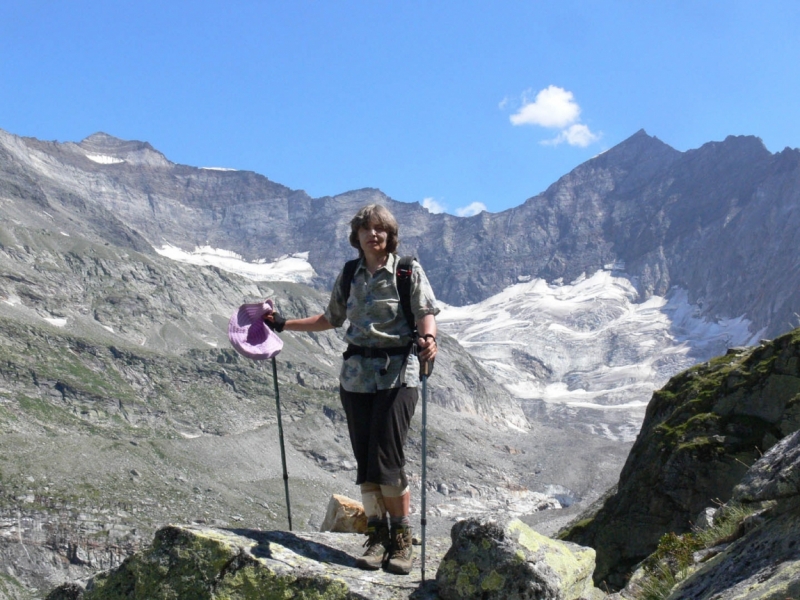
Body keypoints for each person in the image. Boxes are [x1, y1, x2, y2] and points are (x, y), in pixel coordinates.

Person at [266, 204, 439, 575]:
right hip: (356, 376)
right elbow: (330, 319)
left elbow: (426, 310)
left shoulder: (407, 270)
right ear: (357, 236)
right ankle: (377, 537)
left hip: (398, 374)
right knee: (365, 461)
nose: (373, 235)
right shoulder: (350, 274)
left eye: (380, 230)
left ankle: (401, 540)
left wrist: (428, 338)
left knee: (387, 459)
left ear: (389, 235)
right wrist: (283, 324)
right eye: (367, 230)